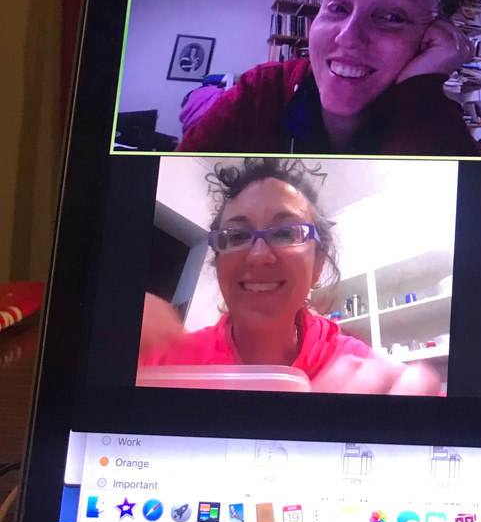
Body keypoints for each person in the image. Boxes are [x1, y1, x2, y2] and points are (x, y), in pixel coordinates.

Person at [138, 159, 441, 395]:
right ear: (218, 264)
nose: (258, 255)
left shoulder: (356, 365)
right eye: (237, 235)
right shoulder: (164, 362)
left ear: (318, 265)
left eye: (285, 233)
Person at [176, 0, 481, 156]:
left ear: (435, 38)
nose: (348, 37)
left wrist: (420, 93)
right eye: (337, 7)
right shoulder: (261, 91)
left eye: (392, 17)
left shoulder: (433, 119)